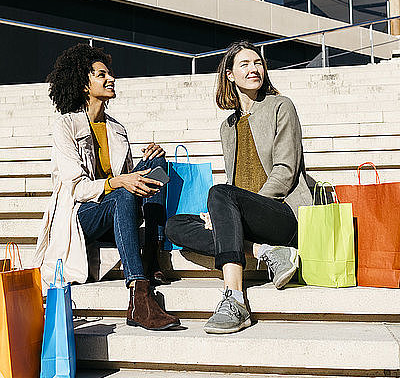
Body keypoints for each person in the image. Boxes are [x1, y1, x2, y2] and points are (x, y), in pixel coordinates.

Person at [166, 41, 312, 334]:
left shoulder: (280, 106)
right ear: (230, 75)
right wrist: (220, 216)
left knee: (219, 192)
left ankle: (234, 298)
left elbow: (285, 172)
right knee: (175, 225)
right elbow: (234, 182)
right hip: (247, 219)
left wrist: (236, 208)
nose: (254, 69)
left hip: (281, 214)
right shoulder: (228, 126)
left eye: (258, 63)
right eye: (244, 64)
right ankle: (265, 252)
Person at [34, 43, 179, 331]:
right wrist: (119, 182)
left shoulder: (117, 128)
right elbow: (76, 188)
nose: (110, 79)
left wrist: (144, 163)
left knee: (157, 165)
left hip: (115, 206)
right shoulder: (66, 126)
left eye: (109, 74)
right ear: (84, 84)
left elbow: (128, 181)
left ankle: (152, 251)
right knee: (124, 190)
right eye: (101, 75)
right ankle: (139, 291)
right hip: (81, 215)